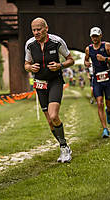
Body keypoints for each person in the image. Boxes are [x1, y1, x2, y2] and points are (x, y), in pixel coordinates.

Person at [24, 17, 74, 162]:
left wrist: (60, 66)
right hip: (40, 83)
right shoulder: (29, 44)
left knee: (53, 116)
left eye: (39, 29)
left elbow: (71, 60)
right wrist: (30, 67)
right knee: (50, 122)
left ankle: (64, 148)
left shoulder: (57, 41)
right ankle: (64, 146)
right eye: (33, 30)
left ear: (46, 28)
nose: (36, 32)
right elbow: (26, 64)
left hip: (55, 81)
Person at [84, 27, 110, 138]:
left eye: (96, 36)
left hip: (107, 77)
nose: (94, 38)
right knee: (99, 103)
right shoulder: (88, 49)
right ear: (91, 37)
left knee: (109, 104)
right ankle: (105, 129)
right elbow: (86, 60)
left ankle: (108, 111)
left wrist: (105, 59)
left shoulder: (106, 46)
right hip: (97, 79)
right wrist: (87, 63)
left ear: (100, 36)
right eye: (93, 36)